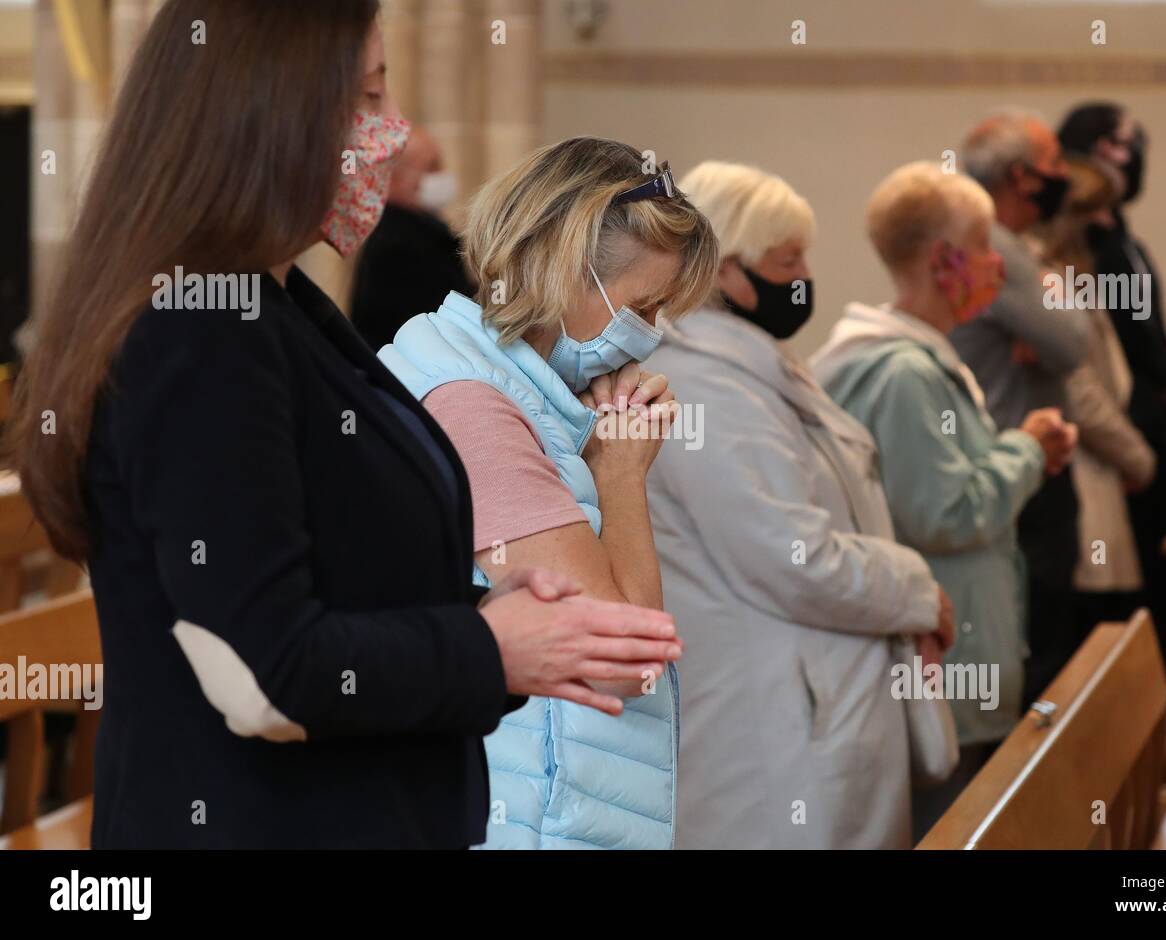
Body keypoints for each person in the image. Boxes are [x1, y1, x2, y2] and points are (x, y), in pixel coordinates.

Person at [4, 0, 680, 849]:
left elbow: (338, 571)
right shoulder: (203, 328)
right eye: (365, 100)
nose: (393, 134)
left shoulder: (279, 308)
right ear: (268, 117)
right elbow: (266, 670)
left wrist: (504, 607)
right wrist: (487, 645)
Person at [378, 138, 716, 849]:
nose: (650, 338)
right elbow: (622, 655)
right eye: (643, 308)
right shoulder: (473, 405)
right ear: (560, 272)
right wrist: (621, 471)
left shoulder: (518, 386)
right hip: (522, 813)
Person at [642, 161, 956, 849]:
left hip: (813, 698)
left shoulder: (750, 367)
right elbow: (793, 560)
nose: (805, 275)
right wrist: (915, 589)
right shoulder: (707, 392)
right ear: (725, 270)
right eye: (788, 260)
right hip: (773, 727)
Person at [810, 161, 1077, 836]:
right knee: (948, 828)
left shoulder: (924, 356)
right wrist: (1027, 452)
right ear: (945, 260)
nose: (996, 264)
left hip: (964, 657)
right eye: (985, 248)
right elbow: (943, 512)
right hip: (946, 669)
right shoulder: (901, 370)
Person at [953, 108, 1092, 709]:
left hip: (1018, 465)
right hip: (1021, 471)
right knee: (1040, 656)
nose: (1066, 176)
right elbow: (1072, 343)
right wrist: (1054, 304)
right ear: (1021, 177)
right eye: (1055, 165)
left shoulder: (1000, 242)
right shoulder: (996, 246)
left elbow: (1059, 341)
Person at [1058, 102, 1166, 685]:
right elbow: (1126, 329)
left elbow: (1149, 321)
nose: (1132, 152)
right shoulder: (1091, 242)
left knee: (1159, 557)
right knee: (1133, 565)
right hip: (1127, 423)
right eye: (1119, 141)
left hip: (1152, 417)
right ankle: (1150, 689)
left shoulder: (1122, 235)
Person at [1038, 155, 1156, 633]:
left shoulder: (1077, 279)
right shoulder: (1050, 282)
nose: (1109, 223)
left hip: (1100, 471)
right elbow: (1079, 393)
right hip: (1082, 474)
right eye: (1098, 212)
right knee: (1083, 638)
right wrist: (1138, 458)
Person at [349, 126, 474, 352]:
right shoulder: (399, 244)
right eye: (431, 166)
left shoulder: (417, 230)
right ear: (395, 178)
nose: (442, 174)